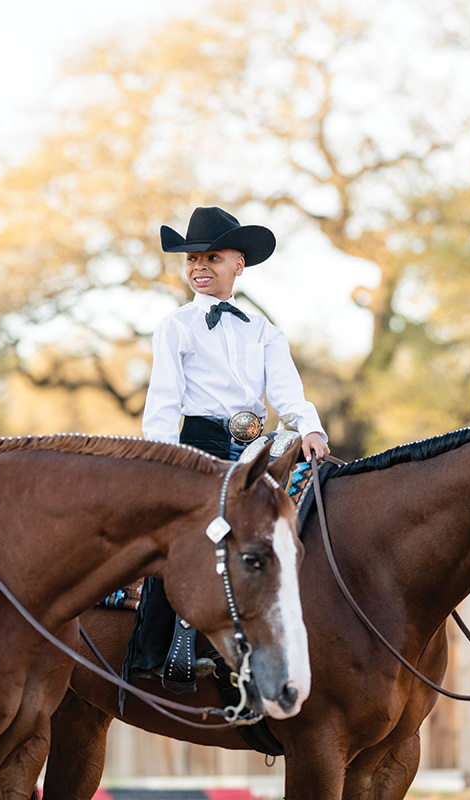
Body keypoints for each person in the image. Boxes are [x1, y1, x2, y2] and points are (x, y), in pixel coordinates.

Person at [130, 205, 329, 691]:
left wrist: (310, 427)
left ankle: (293, 635)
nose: (198, 267)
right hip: (196, 445)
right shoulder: (175, 327)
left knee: (290, 523)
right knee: (182, 534)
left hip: (254, 447)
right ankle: (155, 651)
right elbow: (162, 402)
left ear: (238, 265)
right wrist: (160, 462)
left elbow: (286, 393)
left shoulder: (264, 331)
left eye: (212, 258)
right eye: (191, 259)